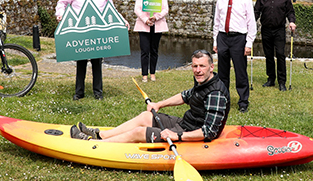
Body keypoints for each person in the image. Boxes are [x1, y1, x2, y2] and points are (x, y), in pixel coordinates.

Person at [70, 50, 230, 143]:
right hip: (186, 124)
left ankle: (96, 144)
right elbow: (185, 96)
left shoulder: (216, 93)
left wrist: (177, 135)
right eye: (195, 66)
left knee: (138, 132)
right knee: (146, 116)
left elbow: (209, 132)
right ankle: (101, 134)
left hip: (192, 134)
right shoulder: (204, 81)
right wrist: (159, 104)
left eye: (202, 66)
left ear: (211, 67)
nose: (198, 70)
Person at [55, 0, 128, 100]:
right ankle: (79, 93)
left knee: (97, 63)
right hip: (80, 31)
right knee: (81, 63)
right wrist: (61, 15)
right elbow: (62, 3)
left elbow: (111, 9)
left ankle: (98, 93)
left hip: (98, 32)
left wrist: (122, 20)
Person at [213, 0, 257, 113]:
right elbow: (217, 21)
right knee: (222, 73)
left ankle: (243, 101)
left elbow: (251, 22)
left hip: (239, 38)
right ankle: (224, 101)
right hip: (223, 37)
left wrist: (249, 43)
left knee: (240, 72)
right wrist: (215, 41)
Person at [254, 0, 296, 92]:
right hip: (266, 29)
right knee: (268, 55)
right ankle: (271, 79)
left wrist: (291, 22)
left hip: (279, 30)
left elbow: (290, 11)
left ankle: (282, 82)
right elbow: (256, 12)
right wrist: (251, 22)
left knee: (280, 54)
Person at [133, 0, 169, 82]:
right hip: (144, 26)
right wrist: (145, 19)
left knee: (154, 50)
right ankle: (144, 74)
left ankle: (152, 73)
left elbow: (165, 9)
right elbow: (137, 9)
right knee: (144, 51)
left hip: (157, 25)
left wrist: (156, 17)